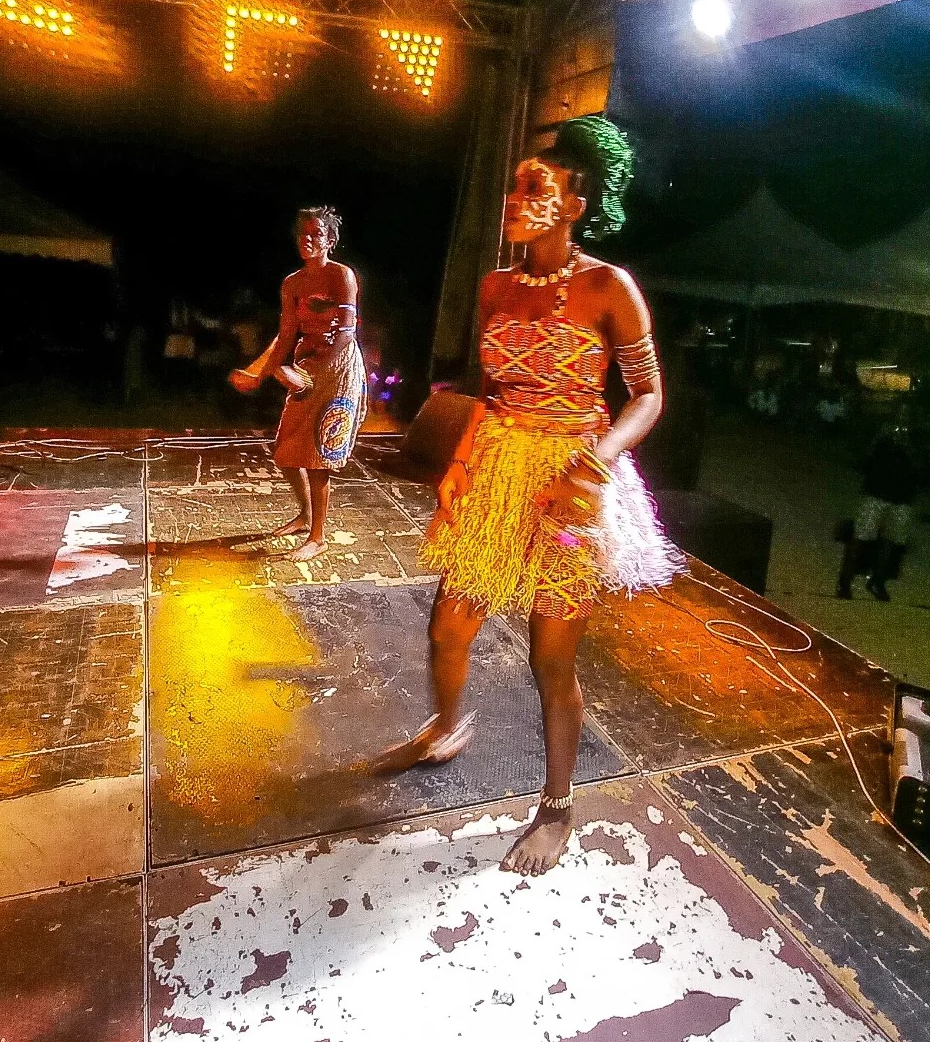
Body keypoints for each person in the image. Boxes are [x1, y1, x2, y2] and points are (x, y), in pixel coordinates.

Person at [372, 116, 684, 876]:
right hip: (499, 470)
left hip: (574, 485)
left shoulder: (609, 288)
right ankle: (443, 728)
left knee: (551, 654)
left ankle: (556, 804)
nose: (515, 199)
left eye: (534, 187)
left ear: (574, 204)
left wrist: (595, 462)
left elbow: (648, 395)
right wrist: (460, 464)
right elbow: (490, 392)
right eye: (513, 186)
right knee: (448, 627)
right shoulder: (495, 285)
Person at [229, 206, 367, 562]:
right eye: (303, 234)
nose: (308, 240)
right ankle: (305, 515)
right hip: (308, 366)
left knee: (318, 457)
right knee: (286, 450)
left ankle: (317, 537)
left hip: (338, 369)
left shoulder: (342, 276)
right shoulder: (292, 283)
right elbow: (286, 333)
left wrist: (313, 375)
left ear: (330, 240)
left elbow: (346, 333)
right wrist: (261, 374)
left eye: (316, 234)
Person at [836, 422, 918, 601]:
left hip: (902, 496)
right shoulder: (884, 430)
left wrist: (910, 447)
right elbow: (863, 459)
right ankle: (845, 580)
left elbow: (922, 466)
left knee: (891, 542)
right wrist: (882, 438)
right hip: (877, 492)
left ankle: (877, 581)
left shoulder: (918, 435)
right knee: (860, 538)